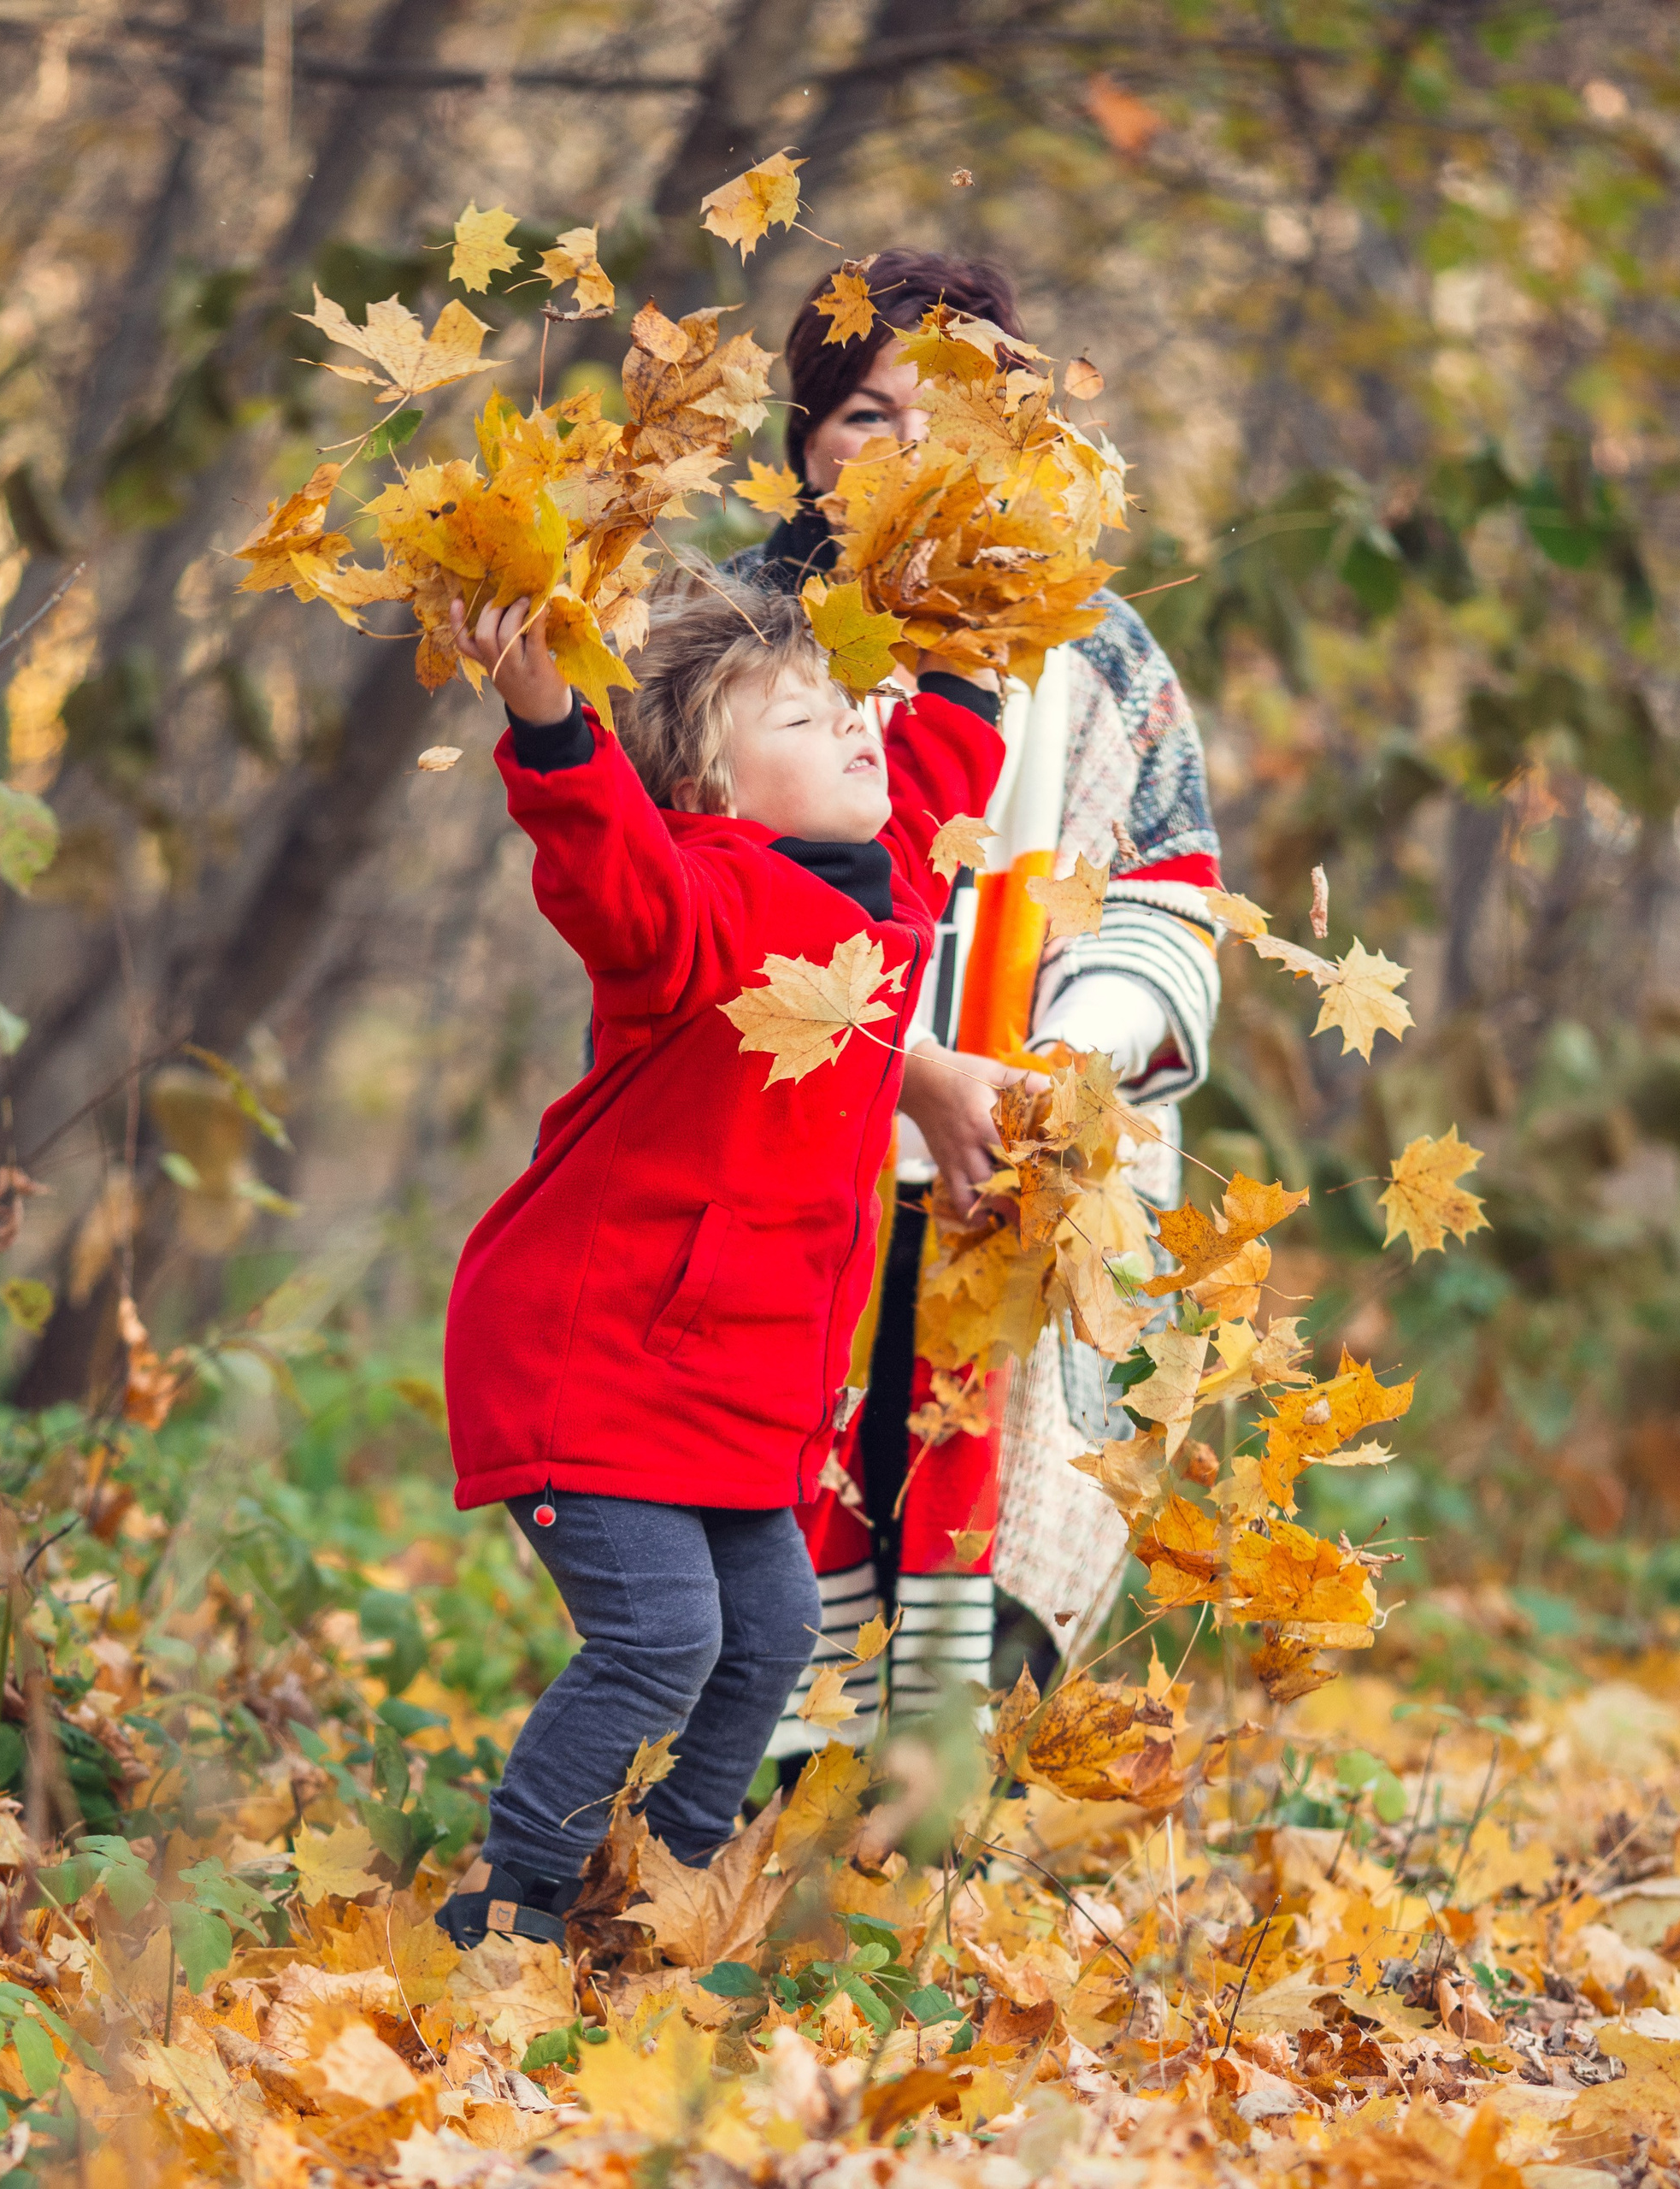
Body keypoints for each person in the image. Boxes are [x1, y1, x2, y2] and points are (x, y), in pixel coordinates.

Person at [433, 576, 1005, 1947]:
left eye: (855, 706)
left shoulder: (884, 911)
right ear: (713, 787)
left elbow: (929, 772)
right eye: (808, 717)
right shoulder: (699, 909)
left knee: (769, 1637)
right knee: (665, 1640)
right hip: (594, 1358)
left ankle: (650, 1897)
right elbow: (610, 870)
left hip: (728, 1390)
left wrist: (975, 647)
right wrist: (549, 718)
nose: (861, 727)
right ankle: (510, 1910)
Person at [728, 251, 1223, 1755]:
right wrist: (915, 1071)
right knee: (745, 1528)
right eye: (868, 416)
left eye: (949, 416)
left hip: (1008, 1162)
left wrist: (1057, 1069)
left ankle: (918, 1856)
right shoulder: (729, 635)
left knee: (971, 1528)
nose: (910, 453)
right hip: (764, 1160)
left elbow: (1167, 894)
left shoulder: (1100, 648)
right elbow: (696, 917)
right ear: (807, 440)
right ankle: (744, 1850)